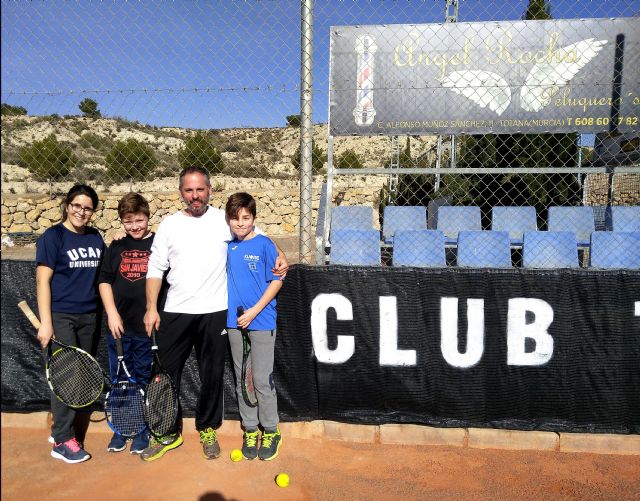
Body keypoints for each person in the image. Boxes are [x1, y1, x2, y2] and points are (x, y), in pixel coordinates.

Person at [142, 166, 288, 462]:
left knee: (211, 376)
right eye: (188, 190)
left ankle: (207, 428)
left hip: (214, 313)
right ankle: (166, 433)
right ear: (181, 192)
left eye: (200, 189)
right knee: (166, 375)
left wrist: (280, 253)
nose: (195, 195)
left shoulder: (224, 220)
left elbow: (257, 234)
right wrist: (150, 307)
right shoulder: (169, 225)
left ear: (210, 190)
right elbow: (155, 267)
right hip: (175, 312)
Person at [35, 184, 104, 464]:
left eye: (87, 208)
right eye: (76, 205)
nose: (81, 212)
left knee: (80, 378)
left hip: (89, 317)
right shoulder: (52, 237)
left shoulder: (95, 237)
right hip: (61, 317)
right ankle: (62, 441)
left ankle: (60, 430)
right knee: (66, 377)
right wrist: (46, 323)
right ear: (67, 205)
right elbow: (43, 281)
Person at [98, 193, 159, 455]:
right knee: (121, 380)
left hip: (146, 329)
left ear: (148, 217)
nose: (135, 226)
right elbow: (104, 280)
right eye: (128, 221)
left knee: (143, 379)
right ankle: (122, 429)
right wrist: (111, 313)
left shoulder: (158, 244)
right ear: (121, 221)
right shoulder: (116, 246)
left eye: (140, 220)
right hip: (119, 329)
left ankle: (143, 431)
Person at [225, 192, 283, 461]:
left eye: (246, 218)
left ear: (254, 219)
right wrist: (241, 318)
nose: (240, 224)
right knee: (242, 379)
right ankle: (250, 429)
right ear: (228, 220)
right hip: (235, 324)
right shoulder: (226, 246)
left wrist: (254, 312)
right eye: (235, 219)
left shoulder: (264, 245)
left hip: (261, 322)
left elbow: (277, 280)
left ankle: (270, 429)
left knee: (261, 379)